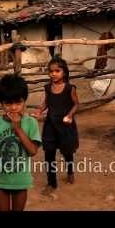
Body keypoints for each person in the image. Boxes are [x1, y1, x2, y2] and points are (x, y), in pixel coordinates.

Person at [0, 74, 41, 211]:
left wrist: (18, 128)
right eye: (8, 103)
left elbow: (33, 151)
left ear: (24, 101)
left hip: (21, 181)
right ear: (1, 103)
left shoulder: (30, 123)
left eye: (18, 103)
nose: (14, 107)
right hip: (0, 181)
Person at [32, 56, 79, 196]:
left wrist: (70, 115)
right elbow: (46, 102)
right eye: (51, 71)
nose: (53, 74)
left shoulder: (70, 88)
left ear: (64, 72)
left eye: (57, 71)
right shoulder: (48, 88)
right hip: (50, 125)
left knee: (67, 152)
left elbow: (76, 104)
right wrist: (39, 111)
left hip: (65, 126)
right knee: (49, 153)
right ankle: (51, 183)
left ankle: (70, 172)